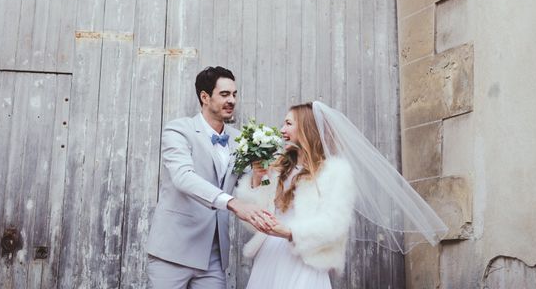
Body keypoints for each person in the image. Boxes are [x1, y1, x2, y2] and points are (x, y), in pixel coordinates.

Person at [235, 101, 448, 288]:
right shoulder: (280, 168)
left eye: (288, 123)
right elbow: (258, 214)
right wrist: (257, 178)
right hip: (270, 256)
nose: (282, 129)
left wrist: (291, 232)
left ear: (307, 128)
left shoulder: (335, 172)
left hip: (304, 260)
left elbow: (334, 225)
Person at [146, 66, 276, 289]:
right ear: (204, 97)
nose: (232, 100)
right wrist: (233, 203)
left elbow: (249, 188)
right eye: (224, 94)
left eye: (234, 94)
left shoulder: (240, 139)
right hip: (173, 249)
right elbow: (183, 177)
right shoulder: (179, 130)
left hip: (213, 255)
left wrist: (260, 176)